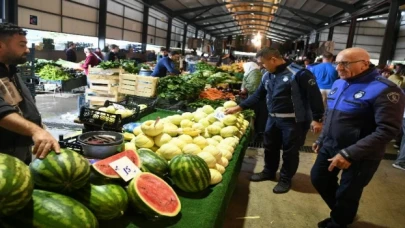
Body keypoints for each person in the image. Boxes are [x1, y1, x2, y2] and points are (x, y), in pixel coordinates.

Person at [311, 47, 405, 228]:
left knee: (348, 193)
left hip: (361, 154)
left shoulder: (386, 90)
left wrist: (349, 153)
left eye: (345, 63)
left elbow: (388, 130)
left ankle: (339, 221)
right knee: (318, 178)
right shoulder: (339, 83)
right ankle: (343, 213)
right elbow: (330, 115)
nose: (338, 68)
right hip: (331, 145)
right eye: (337, 63)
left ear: (365, 64)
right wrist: (321, 138)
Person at [225, 47, 324, 194]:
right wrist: (239, 107)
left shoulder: (299, 73)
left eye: (263, 63)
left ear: (273, 59)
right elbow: (258, 95)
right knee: (270, 146)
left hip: (294, 121)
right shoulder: (267, 75)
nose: (261, 66)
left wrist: (317, 118)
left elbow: (314, 97)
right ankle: (268, 171)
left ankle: (285, 179)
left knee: (290, 151)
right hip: (273, 118)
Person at [0, 23, 60, 164]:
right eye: (22, 45)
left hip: (21, 144)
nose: (27, 50)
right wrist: (35, 131)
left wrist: (38, 126)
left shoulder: (11, 69)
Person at [240, 62, 267, 143]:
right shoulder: (252, 72)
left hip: (257, 99)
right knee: (256, 116)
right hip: (254, 97)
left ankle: (258, 135)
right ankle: (257, 134)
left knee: (257, 116)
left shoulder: (255, 73)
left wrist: (244, 90)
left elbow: (253, 86)